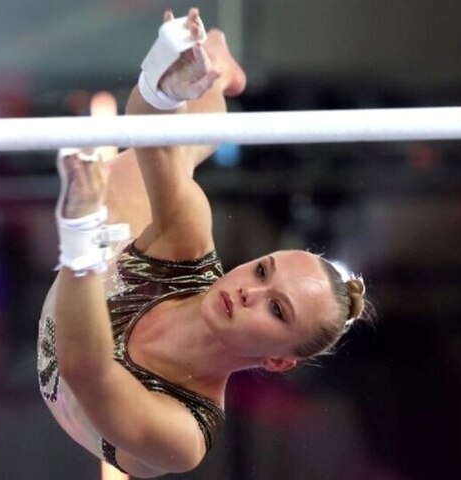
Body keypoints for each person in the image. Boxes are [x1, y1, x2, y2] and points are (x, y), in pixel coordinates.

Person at [37, 8, 368, 478]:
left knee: (156, 168)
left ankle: (210, 76)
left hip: (87, 281)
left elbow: (85, 371)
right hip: (112, 248)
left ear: (277, 360)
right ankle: (213, 70)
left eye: (277, 309)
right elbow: (146, 130)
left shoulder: (185, 433)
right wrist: (163, 83)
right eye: (262, 270)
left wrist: (80, 232)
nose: (249, 292)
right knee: (165, 155)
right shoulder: (186, 245)